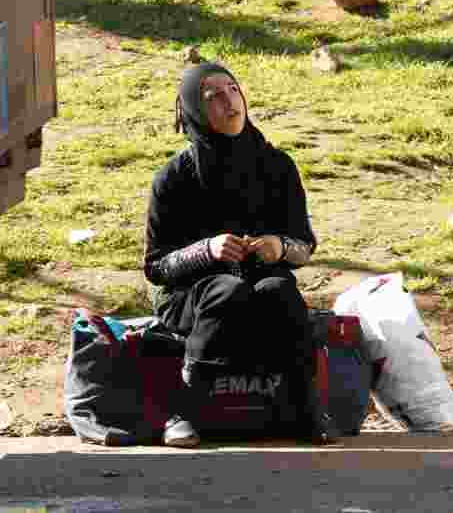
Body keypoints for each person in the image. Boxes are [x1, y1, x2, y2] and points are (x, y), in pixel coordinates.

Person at [143, 62, 337, 448]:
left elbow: (304, 247)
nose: (228, 101)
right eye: (212, 96)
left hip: (257, 282)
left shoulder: (277, 166)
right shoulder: (175, 177)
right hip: (187, 295)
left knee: (278, 290)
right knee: (225, 290)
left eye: (232, 89)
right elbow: (156, 267)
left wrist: (278, 247)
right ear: (194, 111)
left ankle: (307, 410)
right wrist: (207, 251)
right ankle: (183, 411)